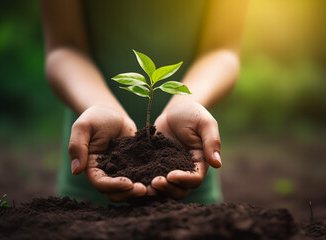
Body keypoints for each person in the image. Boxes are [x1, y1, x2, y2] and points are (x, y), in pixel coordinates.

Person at [40, 0, 247, 205]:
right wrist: (102, 107)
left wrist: (185, 103)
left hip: (187, 156)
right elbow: (65, 47)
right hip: (95, 160)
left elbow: (221, 50)